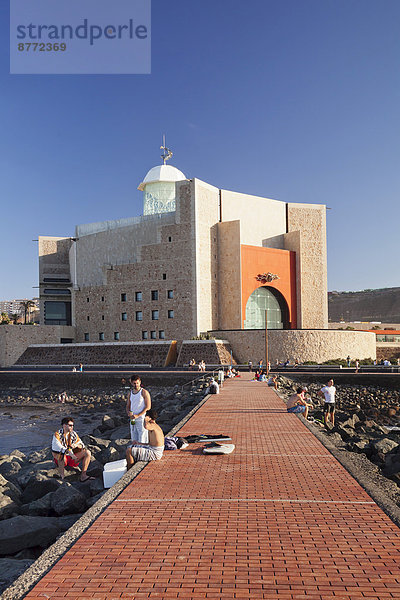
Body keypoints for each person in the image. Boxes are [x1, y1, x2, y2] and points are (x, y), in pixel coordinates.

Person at [51, 417, 93, 482]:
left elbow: (82, 444)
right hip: (63, 459)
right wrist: (68, 451)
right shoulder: (57, 434)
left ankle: (83, 476)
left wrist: (76, 445)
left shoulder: (74, 434)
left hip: (72, 459)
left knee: (87, 452)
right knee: (61, 454)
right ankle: (62, 476)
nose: (72, 427)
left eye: (72, 425)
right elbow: (57, 446)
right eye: (70, 425)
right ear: (64, 425)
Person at [126, 374, 151, 444]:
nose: (136, 385)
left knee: (143, 437)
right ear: (131, 383)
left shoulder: (144, 392)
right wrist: (128, 413)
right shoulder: (130, 393)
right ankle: (135, 452)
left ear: (140, 382)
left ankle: (142, 452)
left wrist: (138, 415)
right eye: (134, 383)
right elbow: (128, 405)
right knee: (134, 437)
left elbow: (148, 407)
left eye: (137, 383)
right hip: (132, 419)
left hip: (142, 418)